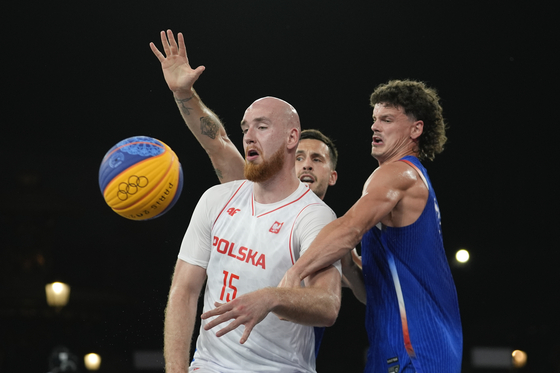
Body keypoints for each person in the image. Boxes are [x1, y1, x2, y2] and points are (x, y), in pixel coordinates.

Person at [151, 30, 342, 373]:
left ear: (291, 137)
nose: (249, 136)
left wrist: (272, 297)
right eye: (246, 127)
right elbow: (183, 290)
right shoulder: (219, 198)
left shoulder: (315, 217)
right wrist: (176, 370)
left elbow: (328, 305)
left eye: (263, 127)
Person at [280, 80, 463, 373]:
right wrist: (350, 264)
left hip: (414, 347)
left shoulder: (397, 173)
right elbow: (372, 293)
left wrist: (295, 273)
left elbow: (350, 228)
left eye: (387, 120)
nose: (375, 127)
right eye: (374, 119)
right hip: (403, 347)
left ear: (416, 129)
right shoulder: (409, 177)